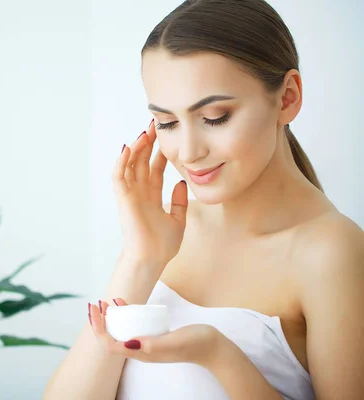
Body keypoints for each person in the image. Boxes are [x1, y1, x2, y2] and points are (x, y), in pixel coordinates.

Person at [43, 0, 364, 399]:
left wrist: (218, 355)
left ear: (287, 98)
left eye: (214, 117)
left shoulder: (331, 252)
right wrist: (141, 259)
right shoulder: (168, 232)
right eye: (168, 123)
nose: (189, 151)